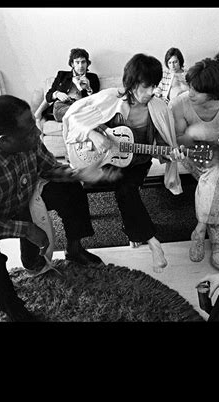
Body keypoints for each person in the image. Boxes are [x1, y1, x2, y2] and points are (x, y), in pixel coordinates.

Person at [0, 95, 103, 322]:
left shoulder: (26, 138)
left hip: (10, 197)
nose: (38, 133)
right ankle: (17, 312)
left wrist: (78, 173)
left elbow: (48, 167)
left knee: (70, 187)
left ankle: (74, 248)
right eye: (31, 131)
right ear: (4, 140)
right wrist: (25, 229)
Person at [62, 53, 183, 273]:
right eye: (146, 86)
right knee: (89, 186)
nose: (152, 92)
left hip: (138, 162)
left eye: (154, 86)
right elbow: (73, 116)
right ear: (133, 83)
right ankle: (138, 233)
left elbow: (162, 146)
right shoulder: (110, 99)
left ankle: (153, 243)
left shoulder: (159, 109)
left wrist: (169, 154)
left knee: (126, 190)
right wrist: (92, 133)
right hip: (107, 161)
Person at [169, 58, 219, 270]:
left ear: (212, 92)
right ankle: (218, 242)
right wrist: (196, 132)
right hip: (189, 153)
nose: (190, 93)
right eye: (189, 87)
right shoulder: (179, 103)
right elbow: (178, 140)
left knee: (216, 175)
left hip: (214, 154)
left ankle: (200, 230)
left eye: (196, 90)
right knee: (216, 182)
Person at [44, 47, 100, 122]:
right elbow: (48, 96)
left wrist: (88, 89)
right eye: (77, 62)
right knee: (87, 115)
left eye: (83, 62)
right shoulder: (62, 75)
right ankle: (105, 128)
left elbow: (96, 101)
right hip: (62, 107)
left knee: (86, 114)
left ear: (87, 63)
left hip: (81, 107)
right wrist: (57, 94)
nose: (81, 66)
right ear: (72, 64)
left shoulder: (93, 77)